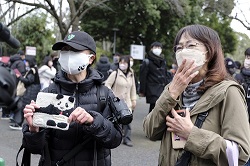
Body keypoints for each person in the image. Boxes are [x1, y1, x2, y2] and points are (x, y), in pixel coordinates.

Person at [143, 24, 250, 166]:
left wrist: (191, 134)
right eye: (179, 48)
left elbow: (239, 153)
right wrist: (171, 94)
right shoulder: (173, 89)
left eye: (191, 45)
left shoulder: (229, 92)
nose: (183, 52)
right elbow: (150, 131)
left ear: (209, 52)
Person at [21, 31, 122, 165]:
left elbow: (115, 139)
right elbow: (34, 148)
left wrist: (93, 121)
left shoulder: (104, 94)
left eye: (75, 50)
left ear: (91, 58)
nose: (68, 55)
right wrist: (34, 130)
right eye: (65, 50)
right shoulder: (48, 93)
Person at [105, 55, 137, 147]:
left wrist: (133, 99)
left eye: (124, 63)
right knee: (115, 122)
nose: (122, 64)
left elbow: (133, 87)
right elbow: (107, 85)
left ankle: (127, 139)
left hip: (127, 103)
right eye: (121, 62)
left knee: (128, 122)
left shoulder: (131, 74)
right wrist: (112, 96)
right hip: (117, 103)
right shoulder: (115, 74)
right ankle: (113, 138)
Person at [139, 41, 172, 113]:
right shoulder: (147, 62)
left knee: (159, 110)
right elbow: (143, 78)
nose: (158, 49)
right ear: (151, 49)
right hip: (152, 90)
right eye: (155, 47)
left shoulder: (163, 61)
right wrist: (142, 91)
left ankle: (154, 123)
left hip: (162, 90)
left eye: (159, 47)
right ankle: (150, 123)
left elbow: (165, 75)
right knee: (154, 109)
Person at [10, 57, 41, 130]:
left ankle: (19, 123)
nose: (25, 63)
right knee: (26, 106)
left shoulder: (32, 70)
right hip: (32, 90)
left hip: (31, 91)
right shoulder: (34, 69)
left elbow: (28, 81)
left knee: (24, 105)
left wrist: (19, 76)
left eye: (26, 61)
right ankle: (19, 122)